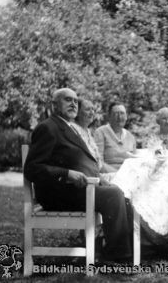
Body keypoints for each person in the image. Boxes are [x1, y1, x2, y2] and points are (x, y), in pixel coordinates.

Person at [24, 88, 132, 261]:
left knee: (123, 194)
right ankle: (118, 258)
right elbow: (32, 168)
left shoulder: (69, 128)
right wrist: (67, 174)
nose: (73, 104)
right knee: (114, 196)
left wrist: (102, 180)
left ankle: (125, 250)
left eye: (75, 101)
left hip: (78, 189)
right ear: (54, 105)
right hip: (59, 193)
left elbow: (83, 161)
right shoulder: (48, 128)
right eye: (68, 100)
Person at [74, 99, 115, 173]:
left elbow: (99, 164)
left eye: (93, 109)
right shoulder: (74, 131)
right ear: (77, 112)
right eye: (87, 109)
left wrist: (118, 173)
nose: (92, 112)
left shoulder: (87, 131)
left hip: (98, 173)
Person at [94, 103, 136, 172]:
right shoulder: (100, 132)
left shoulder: (130, 137)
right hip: (109, 175)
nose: (119, 117)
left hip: (128, 176)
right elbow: (98, 162)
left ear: (126, 117)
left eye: (122, 113)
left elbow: (135, 161)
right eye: (116, 114)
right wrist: (118, 175)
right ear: (109, 116)